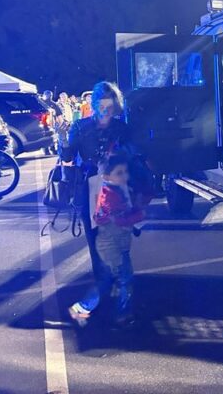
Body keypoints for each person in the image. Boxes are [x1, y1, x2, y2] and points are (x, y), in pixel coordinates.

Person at [60, 82, 132, 317]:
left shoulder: (116, 128)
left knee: (114, 243)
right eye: (102, 105)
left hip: (109, 192)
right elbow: (67, 156)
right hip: (94, 191)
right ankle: (114, 293)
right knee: (102, 243)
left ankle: (119, 295)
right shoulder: (84, 127)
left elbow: (67, 155)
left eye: (109, 106)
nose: (106, 111)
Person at [68, 152, 144, 327]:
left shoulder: (119, 189)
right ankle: (122, 314)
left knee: (106, 281)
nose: (125, 176)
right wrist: (136, 216)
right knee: (125, 279)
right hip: (111, 246)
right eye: (119, 173)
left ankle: (82, 308)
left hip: (117, 244)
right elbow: (111, 219)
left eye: (125, 172)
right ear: (106, 176)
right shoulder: (109, 195)